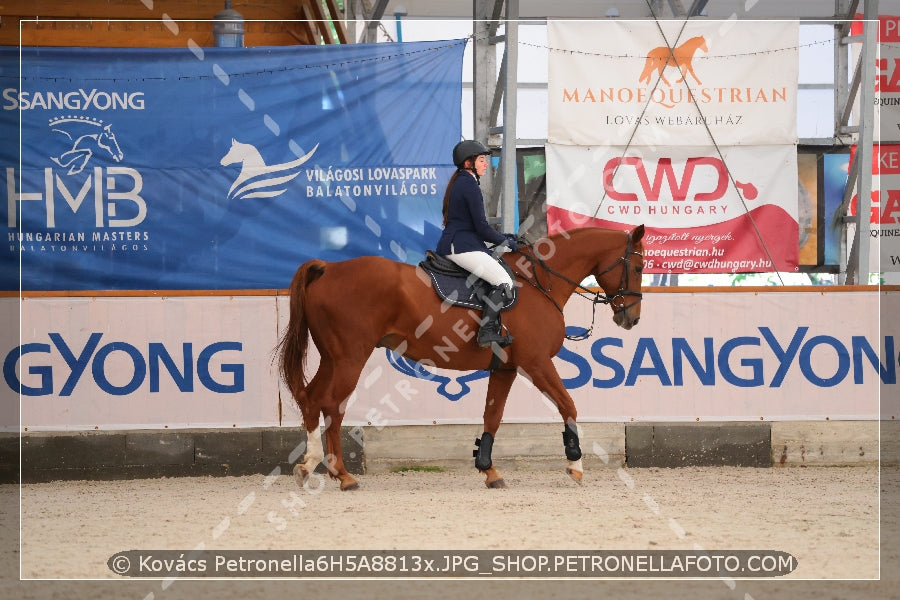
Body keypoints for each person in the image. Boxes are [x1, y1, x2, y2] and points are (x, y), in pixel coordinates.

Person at [436, 140, 518, 348]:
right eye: (481, 160)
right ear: (468, 163)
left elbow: (476, 226)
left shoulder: (463, 182)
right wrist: (505, 241)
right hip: (461, 246)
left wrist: (504, 235)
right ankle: (487, 332)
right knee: (503, 281)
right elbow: (481, 227)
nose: (485, 164)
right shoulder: (468, 185)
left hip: (463, 242)